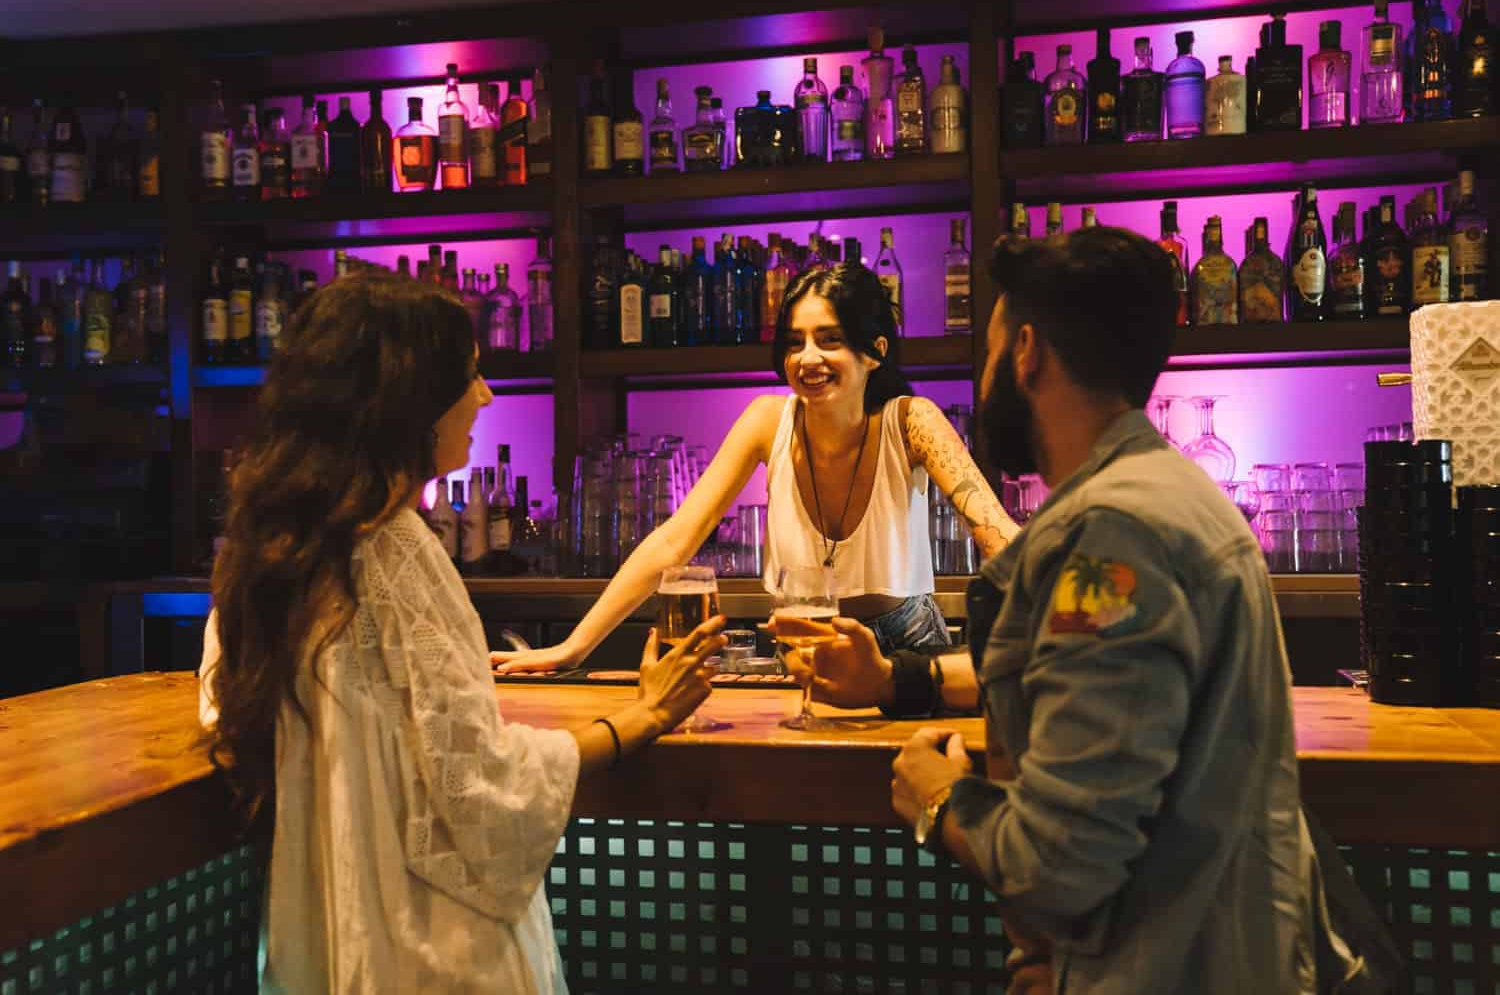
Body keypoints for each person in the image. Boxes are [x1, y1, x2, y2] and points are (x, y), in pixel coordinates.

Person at [783, 227, 1363, 993]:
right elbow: (1092, 683)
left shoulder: (1113, 541)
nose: (986, 377)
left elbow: (1059, 864)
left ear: (1025, 352)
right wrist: (897, 680)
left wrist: (940, 800)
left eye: (989, 353)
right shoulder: (1159, 495)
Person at [196, 271, 725, 993]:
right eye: (470, 377)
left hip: (320, 934)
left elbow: (225, 716)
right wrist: (645, 715)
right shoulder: (393, 549)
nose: (486, 397)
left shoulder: (266, 552)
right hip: (428, 949)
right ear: (408, 401)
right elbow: (479, 784)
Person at [496, 262, 1017, 673]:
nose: (806, 358)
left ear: (874, 352)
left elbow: (994, 532)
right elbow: (676, 539)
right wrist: (573, 648)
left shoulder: (912, 421)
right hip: (800, 643)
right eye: (795, 341)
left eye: (829, 339)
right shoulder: (768, 420)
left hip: (907, 649)